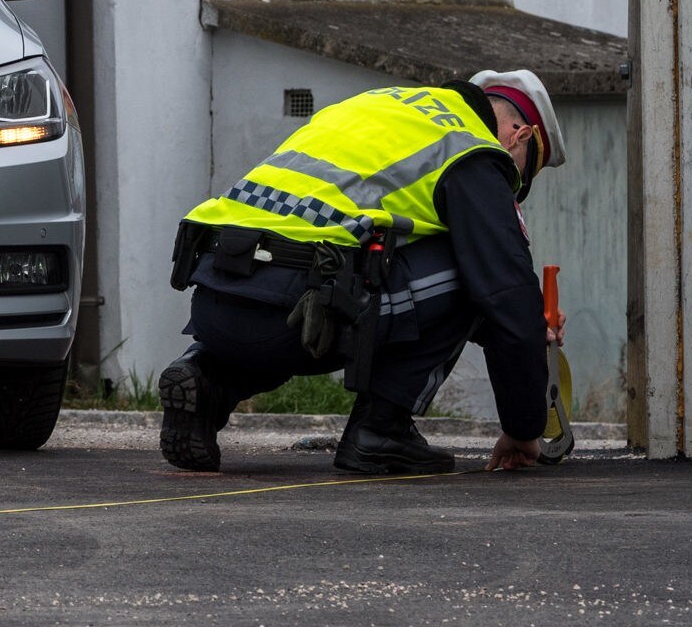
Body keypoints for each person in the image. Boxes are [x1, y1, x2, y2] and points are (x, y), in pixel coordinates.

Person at [157, 70, 564, 476]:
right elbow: (503, 290)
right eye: (523, 178)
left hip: (216, 298)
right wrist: (522, 426)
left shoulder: (377, 105)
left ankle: (205, 377)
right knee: (468, 262)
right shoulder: (471, 148)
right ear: (519, 137)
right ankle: (380, 430)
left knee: (311, 289)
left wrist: (518, 328)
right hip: (300, 311)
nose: (512, 190)